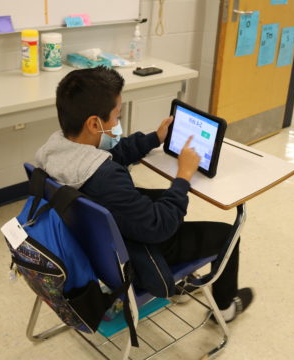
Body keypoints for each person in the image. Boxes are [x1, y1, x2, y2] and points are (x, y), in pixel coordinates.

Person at [35, 66, 253, 323]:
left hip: (92, 245)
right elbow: (159, 227)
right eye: (116, 117)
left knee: (165, 197)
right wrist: (183, 176)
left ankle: (186, 275)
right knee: (226, 234)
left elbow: (110, 157)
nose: (118, 124)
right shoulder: (105, 178)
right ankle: (225, 309)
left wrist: (155, 138)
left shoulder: (55, 152)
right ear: (94, 123)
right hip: (137, 257)